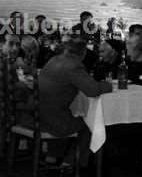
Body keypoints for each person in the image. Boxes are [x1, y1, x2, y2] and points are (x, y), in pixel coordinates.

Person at [17, 36, 112, 170]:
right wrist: (107, 85)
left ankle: (52, 156)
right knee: (89, 123)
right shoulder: (74, 66)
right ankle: (71, 163)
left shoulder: (53, 60)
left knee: (64, 112)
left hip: (33, 115)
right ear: (83, 52)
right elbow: (93, 90)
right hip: (50, 122)